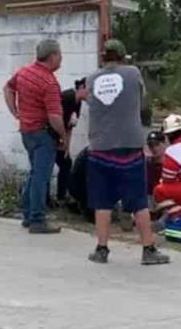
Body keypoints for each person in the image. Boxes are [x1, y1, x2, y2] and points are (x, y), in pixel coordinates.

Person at [85, 39, 169, 265]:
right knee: (139, 202)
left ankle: (101, 249)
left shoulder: (91, 78)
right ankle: (148, 250)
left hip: (99, 148)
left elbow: (91, 102)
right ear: (122, 56)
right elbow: (142, 104)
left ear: (103, 57)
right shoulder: (133, 74)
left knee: (102, 203)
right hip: (129, 149)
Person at [3, 39, 67, 234]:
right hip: (43, 133)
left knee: (34, 173)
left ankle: (28, 214)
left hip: (27, 132)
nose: (61, 59)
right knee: (42, 176)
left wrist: (16, 112)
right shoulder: (49, 83)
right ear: (52, 56)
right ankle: (37, 219)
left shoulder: (24, 72)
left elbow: (7, 88)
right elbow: (55, 116)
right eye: (60, 55)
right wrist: (63, 135)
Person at [52, 78, 88, 205]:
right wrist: (60, 141)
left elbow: (70, 125)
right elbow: (56, 120)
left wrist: (67, 146)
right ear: (82, 87)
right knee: (47, 166)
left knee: (66, 163)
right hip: (50, 135)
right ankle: (45, 200)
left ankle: (61, 196)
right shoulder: (67, 97)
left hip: (60, 138)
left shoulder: (77, 103)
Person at [145, 130, 166, 199]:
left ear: (163, 144)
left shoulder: (170, 165)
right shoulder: (146, 165)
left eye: (157, 144)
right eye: (151, 145)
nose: (154, 148)